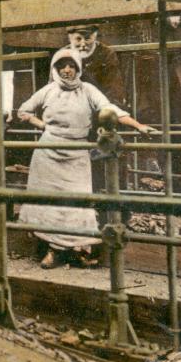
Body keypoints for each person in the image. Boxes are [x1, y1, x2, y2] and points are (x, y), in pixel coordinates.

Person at [18, 48, 154, 269]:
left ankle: (79, 250)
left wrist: (138, 125)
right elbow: (23, 111)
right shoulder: (48, 90)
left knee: (78, 203)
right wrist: (41, 125)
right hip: (48, 153)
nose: (67, 70)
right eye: (62, 66)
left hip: (76, 152)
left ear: (78, 68)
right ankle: (54, 251)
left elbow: (110, 109)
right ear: (56, 68)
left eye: (71, 66)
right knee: (52, 205)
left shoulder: (88, 90)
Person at [63, 24, 127, 109]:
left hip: (100, 106)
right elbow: (53, 88)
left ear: (95, 36)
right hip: (72, 108)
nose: (83, 44)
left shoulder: (106, 54)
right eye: (78, 39)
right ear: (70, 38)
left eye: (87, 38)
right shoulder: (62, 55)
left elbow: (114, 89)